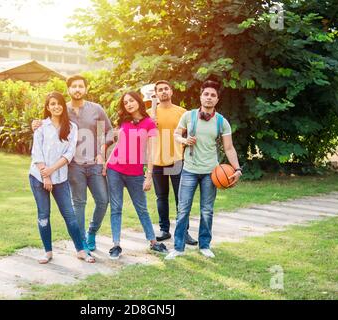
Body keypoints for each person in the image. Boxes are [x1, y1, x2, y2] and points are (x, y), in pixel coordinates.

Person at [32, 75, 113, 253]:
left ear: (86, 89)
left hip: (94, 163)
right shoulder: (62, 109)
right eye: (74, 86)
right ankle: (82, 241)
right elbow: (48, 125)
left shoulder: (96, 110)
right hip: (73, 165)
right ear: (68, 89)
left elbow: (105, 132)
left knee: (103, 200)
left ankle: (92, 232)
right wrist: (36, 123)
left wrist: (102, 153)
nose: (77, 89)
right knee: (79, 202)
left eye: (80, 86)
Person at [165, 80, 242, 260]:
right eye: (206, 94)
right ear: (201, 97)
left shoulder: (222, 122)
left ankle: (205, 245)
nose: (209, 98)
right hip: (189, 170)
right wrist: (184, 141)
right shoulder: (189, 116)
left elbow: (229, 148)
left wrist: (237, 169)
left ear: (217, 99)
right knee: (183, 209)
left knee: (207, 210)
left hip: (211, 172)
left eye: (213, 95)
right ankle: (178, 247)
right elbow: (176, 134)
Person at [29, 91, 95, 264]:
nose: (56, 106)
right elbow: (37, 153)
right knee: (44, 214)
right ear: (47, 107)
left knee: (70, 215)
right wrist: (46, 176)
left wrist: (50, 172)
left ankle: (80, 250)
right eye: (52, 104)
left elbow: (69, 153)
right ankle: (48, 252)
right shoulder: (41, 127)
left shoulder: (72, 127)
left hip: (60, 178)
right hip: (38, 177)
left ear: (62, 106)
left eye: (58, 103)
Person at [103, 91, 168, 259]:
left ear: (138, 101)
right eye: (125, 103)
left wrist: (148, 177)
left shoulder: (149, 124)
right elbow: (118, 146)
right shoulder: (124, 122)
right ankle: (116, 245)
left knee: (142, 209)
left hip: (136, 173)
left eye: (131, 100)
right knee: (116, 208)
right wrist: (106, 163)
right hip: (115, 170)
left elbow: (151, 153)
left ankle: (153, 242)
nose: (129, 104)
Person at [145, 80, 197, 245]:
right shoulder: (149, 113)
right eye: (160, 90)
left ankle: (184, 232)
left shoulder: (183, 112)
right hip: (156, 161)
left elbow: (191, 135)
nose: (163, 92)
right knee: (161, 197)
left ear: (171, 91)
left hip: (177, 160)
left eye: (166, 88)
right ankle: (165, 230)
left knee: (182, 198)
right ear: (156, 94)